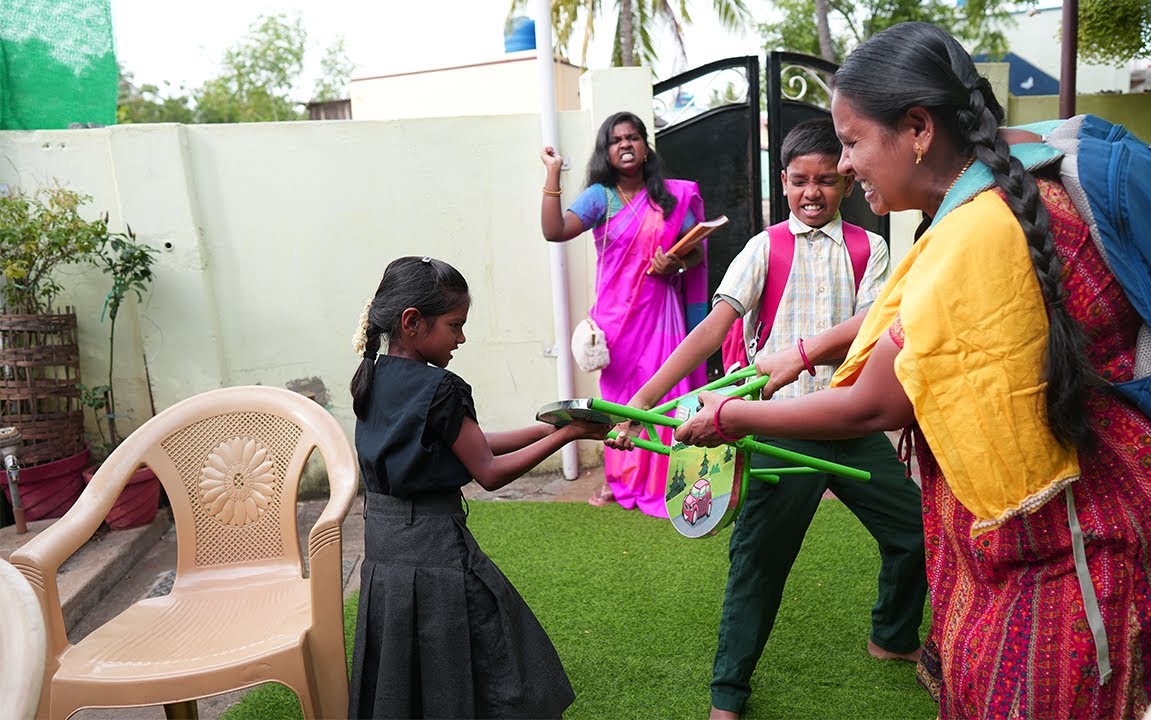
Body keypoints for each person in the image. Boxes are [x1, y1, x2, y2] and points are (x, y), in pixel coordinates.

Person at [674, 22, 1151, 719]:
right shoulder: (997, 190)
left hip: (1084, 540)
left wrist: (728, 416)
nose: (843, 167)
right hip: (1094, 516)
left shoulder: (978, 231)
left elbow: (874, 404)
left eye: (850, 142)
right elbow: (910, 333)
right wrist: (805, 353)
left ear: (917, 129)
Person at [612, 118, 926, 719]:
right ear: (783, 182)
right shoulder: (763, 247)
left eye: (828, 181)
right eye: (802, 181)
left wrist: (811, 358)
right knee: (758, 563)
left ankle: (891, 635)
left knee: (913, 531)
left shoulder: (871, 247)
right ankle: (728, 694)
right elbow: (712, 328)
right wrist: (646, 400)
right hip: (779, 431)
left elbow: (870, 330)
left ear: (847, 183)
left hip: (849, 422)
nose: (814, 193)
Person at [347, 256, 611, 719]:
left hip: (385, 557)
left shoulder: (372, 377)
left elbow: (470, 445)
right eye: (455, 325)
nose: (461, 338)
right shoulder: (442, 388)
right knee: (502, 664)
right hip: (435, 555)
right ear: (413, 322)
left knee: (404, 680)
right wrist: (567, 436)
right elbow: (486, 470)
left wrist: (550, 427)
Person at [541, 111, 708, 516]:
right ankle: (620, 481)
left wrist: (676, 264)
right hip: (616, 324)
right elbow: (555, 231)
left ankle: (673, 479)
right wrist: (553, 174)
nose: (626, 145)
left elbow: (696, 250)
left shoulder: (671, 197)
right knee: (619, 403)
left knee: (667, 395)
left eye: (633, 137)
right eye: (616, 140)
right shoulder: (600, 197)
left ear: (646, 146)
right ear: (607, 151)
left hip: (662, 316)